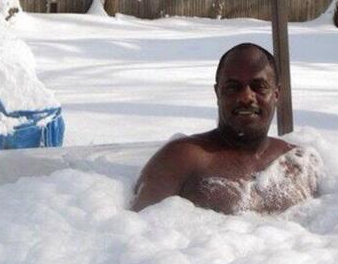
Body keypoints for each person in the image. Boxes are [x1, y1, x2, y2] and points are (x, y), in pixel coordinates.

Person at [131, 43, 323, 214]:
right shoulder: (180, 160)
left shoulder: (301, 164)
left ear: (276, 94)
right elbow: (139, 232)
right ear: (218, 93)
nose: (246, 97)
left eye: (259, 86)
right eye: (233, 87)